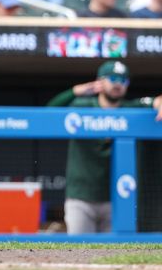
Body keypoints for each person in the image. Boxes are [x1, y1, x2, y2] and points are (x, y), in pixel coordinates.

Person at [48, 61, 162, 234]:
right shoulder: (82, 107)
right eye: (113, 78)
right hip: (81, 198)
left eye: (123, 80)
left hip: (118, 199)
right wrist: (74, 91)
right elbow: (49, 112)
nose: (118, 84)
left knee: (116, 255)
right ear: (100, 81)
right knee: (80, 253)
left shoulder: (131, 109)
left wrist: (159, 103)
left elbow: (156, 101)